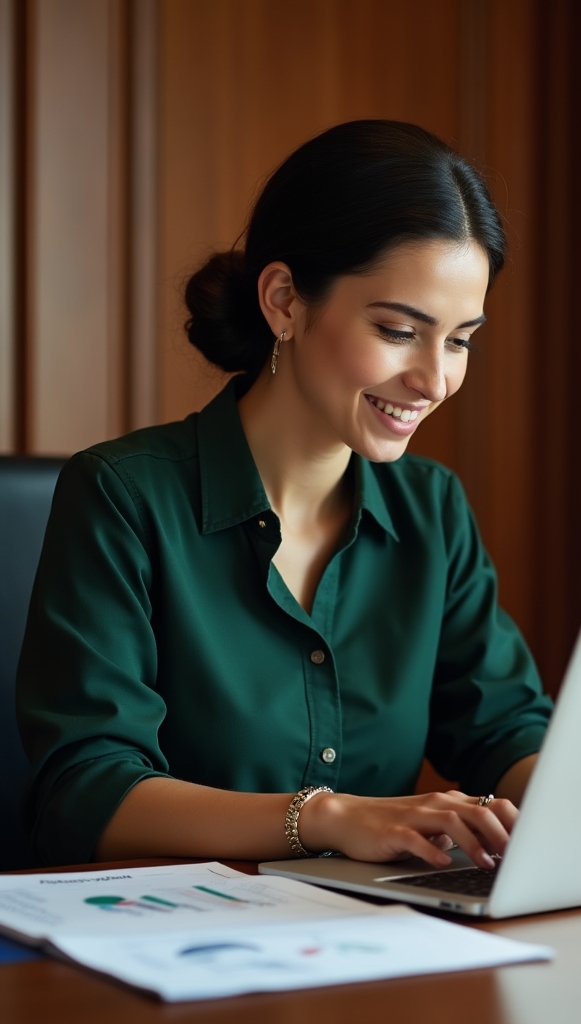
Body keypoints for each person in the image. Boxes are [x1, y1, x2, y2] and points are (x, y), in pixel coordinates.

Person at [16, 120, 553, 869]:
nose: (435, 381)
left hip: (376, 944)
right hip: (174, 951)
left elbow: (503, 730)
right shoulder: (122, 497)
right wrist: (326, 819)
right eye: (400, 330)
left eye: (459, 340)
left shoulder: (431, 508)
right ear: (284, 302)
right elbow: (86, 793)